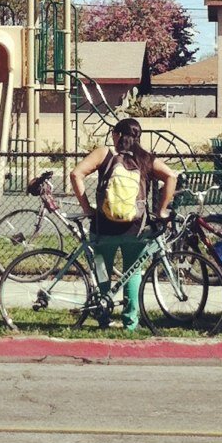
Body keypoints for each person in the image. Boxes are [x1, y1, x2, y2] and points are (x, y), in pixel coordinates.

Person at [70, 117, 177, 332]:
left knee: (102, 270)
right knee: (133, 272)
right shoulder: (146, 159)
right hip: (135, 228)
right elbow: (171, 176)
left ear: (117, 135)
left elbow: (76, 174)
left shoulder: (104, 154)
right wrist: (161, 210)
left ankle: (103, 317)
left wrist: (86, 208)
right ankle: (130, 323)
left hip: (103, 227)